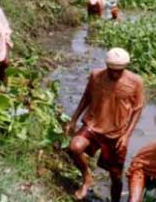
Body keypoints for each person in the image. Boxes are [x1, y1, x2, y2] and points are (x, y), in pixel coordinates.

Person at [65, 48, 145, 202]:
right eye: (111, 70)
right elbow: (86, 97)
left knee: (115, 176)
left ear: (125, 67)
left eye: (119, 71)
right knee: (75, 147)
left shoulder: (136, 81)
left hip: (117, 132)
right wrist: (74, 119)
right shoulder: (96, 76)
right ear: (106, 66)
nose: (115, 74)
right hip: (93, 125)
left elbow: (137, 110)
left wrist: (126, 136)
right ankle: (87, 177)